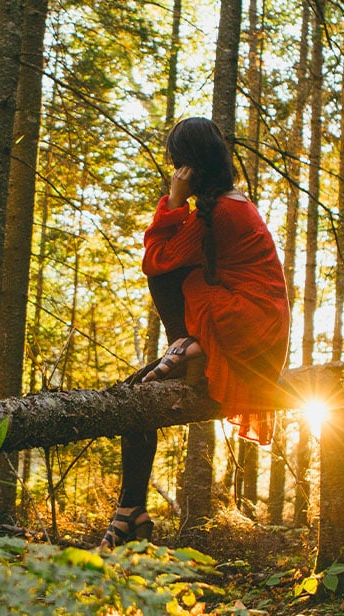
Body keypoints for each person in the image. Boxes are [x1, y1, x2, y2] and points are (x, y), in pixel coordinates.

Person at [100, 116, 291, 550]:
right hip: (249, 325)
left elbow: (155, 259)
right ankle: (131, 511)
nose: (176, 172)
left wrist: (173, 199)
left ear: (189, 165)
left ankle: (188, 345)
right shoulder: (226, 204)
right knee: (137, 392)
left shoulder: (222, 211)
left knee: (168, 273)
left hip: (247, 326)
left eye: (178, 164)